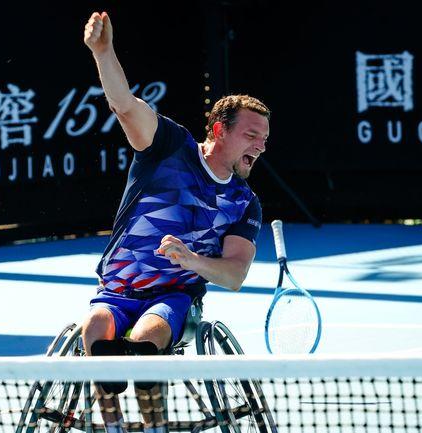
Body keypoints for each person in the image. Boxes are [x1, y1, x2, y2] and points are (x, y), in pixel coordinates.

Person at [82, 10, 270, 433]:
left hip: (174, 298)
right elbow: (125, 106)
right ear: (220, 130)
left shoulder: (244, 204)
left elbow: (236, 274)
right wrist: (103, 51)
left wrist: (192, 261)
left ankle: (154, 427)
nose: (260, 147)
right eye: (252, 136)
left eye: (264, 140)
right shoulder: (168, 146)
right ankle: (111, 425)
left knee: (147, 338)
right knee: (96, 327)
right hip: (118, 288)